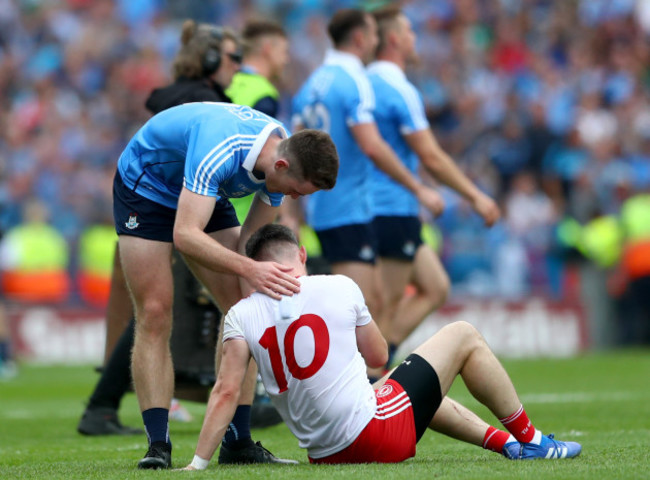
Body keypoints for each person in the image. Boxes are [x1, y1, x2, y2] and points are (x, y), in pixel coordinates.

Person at [182, 224, 582, 469]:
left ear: (257, 267)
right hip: (372, 437)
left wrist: (198, 464)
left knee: (396, 386)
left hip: (324, 454)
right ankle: (532, 440)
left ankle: (506, 444)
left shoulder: (240, 314)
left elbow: (227, 391)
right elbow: (377, 356)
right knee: (463, 335)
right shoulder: (338, 285)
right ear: (301, 255)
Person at [113, 101, 338, 470]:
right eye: (297, 191)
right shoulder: (221, 149)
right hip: (147, 187)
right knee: (155, 310)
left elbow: (249, 243)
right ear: (281, 166)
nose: (295, 198)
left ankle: (237, 441)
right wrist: (251, 268)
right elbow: (185, 235)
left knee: (245, 303)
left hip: (204, 191)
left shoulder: (282, 156)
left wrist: (268, 273)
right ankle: (158, 445)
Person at [78, 21, 246, 437]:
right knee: (159, 313)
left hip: (147, 200)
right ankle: (128, 402)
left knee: (151, 314)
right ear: (210, 60)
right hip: (164, 202)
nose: (239, 68)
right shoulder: (207, 102)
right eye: (233, 58)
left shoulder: (174, 96)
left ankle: (106, 401)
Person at [366, 6, 501, 372]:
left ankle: (381, 357)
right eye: (409, 31)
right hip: (390, 206)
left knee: (435, 285)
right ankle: (368, 378)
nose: (414, 38)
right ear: (393, 39)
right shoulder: (397, 88)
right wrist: (476, 196)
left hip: (381, 206)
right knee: (385, 305)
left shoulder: (365, 83)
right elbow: (432, 156)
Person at [292, 8, 445, 319]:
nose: (377, 42)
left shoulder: (311, 85)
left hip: (319, 208)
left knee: (368, 303)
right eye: (374, 34)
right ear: (360, 38)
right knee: (363, 309)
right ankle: (358, 370)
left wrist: (294, 210)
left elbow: (295, 145)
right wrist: (418, 187)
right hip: (348, 207)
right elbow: (372, 145)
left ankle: (374, 368)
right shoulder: (355, 80)